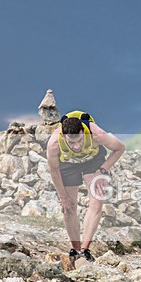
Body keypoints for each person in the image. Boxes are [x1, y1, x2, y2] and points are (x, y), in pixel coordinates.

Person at [46, 110, 126, 262]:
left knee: (97, 200)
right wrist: (63, 197)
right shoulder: (54, 144)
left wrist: (101, 171)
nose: (76, 146)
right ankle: (75, 250)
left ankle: (85, 250)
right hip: (68, 164)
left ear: (84, 133)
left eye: (79, 141)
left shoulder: (97, 135)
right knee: (69, 207)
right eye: (71, 142)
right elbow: (54, 170)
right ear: (63, 137)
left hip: (93, 161)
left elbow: (120, 148)